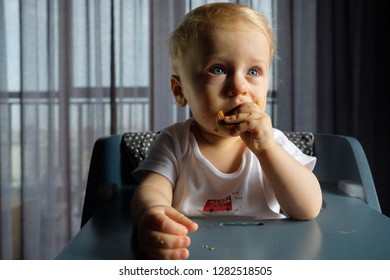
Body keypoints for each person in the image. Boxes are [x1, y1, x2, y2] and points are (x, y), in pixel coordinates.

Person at [130, 2, 322, 260]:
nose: (238, 87)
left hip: (267, 257)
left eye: (253, 71)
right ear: (180, 91)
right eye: (217, 70)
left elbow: (307, 209)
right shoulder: (175, 142)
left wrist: (267, 150)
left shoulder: (273, 143)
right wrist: (153, 214)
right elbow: (151, 190)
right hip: (190, 253)